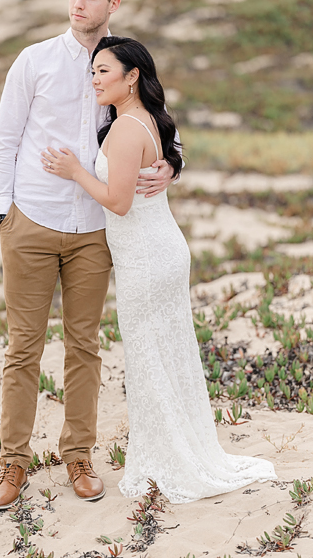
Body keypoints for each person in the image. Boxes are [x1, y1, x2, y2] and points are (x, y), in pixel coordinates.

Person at [42, 35, 276, 502]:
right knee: (165, 356)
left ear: (132, 77)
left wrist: (75, 172)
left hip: (146, 258)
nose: (94, 80)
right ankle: (173, 451)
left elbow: (118, 202)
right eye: (92, 71)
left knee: (150, 359)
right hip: (158, 251)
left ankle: (172, 460)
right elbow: (164, 157)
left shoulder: (127, 129)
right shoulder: (143, 118)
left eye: (103, 71)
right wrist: (172, 162)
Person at [0, 0, 177, 509]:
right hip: (32, 221)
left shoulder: (125, 61)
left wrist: (172, 164)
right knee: (22, 348)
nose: (77, 4)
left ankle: (79, 455)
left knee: (83, 347)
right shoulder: (34, 60)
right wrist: (5, 212)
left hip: (96, 230)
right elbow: (4, 139)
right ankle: (13, 464)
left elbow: (157, 121)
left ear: (113, 4)